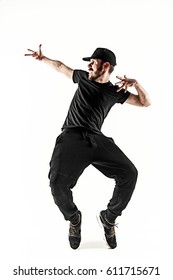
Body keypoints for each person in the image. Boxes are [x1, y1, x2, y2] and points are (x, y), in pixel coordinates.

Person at [25, 44, 151, 250]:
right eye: (89, 63)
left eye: (93, 62)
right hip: (71, 138)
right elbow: (60, 67)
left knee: (130, 173)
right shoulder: (82, 78)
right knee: (57, 184)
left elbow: (145, 103)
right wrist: (43, 58)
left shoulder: (115, 91)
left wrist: (136, 83)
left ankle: (109, 219)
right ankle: (74, 219)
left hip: (96, 139)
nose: (90, 65)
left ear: (106, 66)